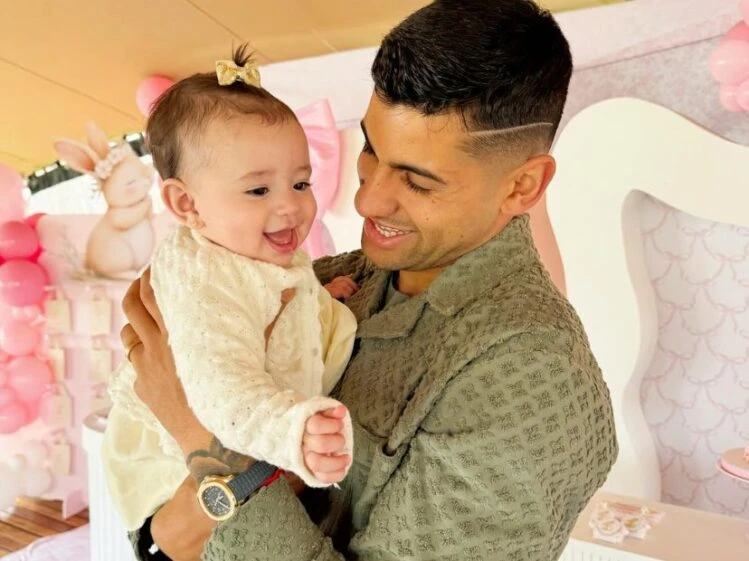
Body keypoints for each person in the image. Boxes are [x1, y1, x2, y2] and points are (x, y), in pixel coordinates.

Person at [121, 1, 618, 559]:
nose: (367, 200)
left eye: (418, 181)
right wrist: (169, 523)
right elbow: (157, 537)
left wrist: (194, 430)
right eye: (371, 150)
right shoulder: (334, 277)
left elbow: (180, 505)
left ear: (522, 187)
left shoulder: (528, 381)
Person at [101, 47, 360, 532]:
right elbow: (223, 391)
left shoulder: (246, 245)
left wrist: (319, 297)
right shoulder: (205, 285)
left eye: (301, 183)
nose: (291, 206)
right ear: (187, 204)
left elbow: (272, 296)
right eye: (259, 190)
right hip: (173, 469)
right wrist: (294, 432)